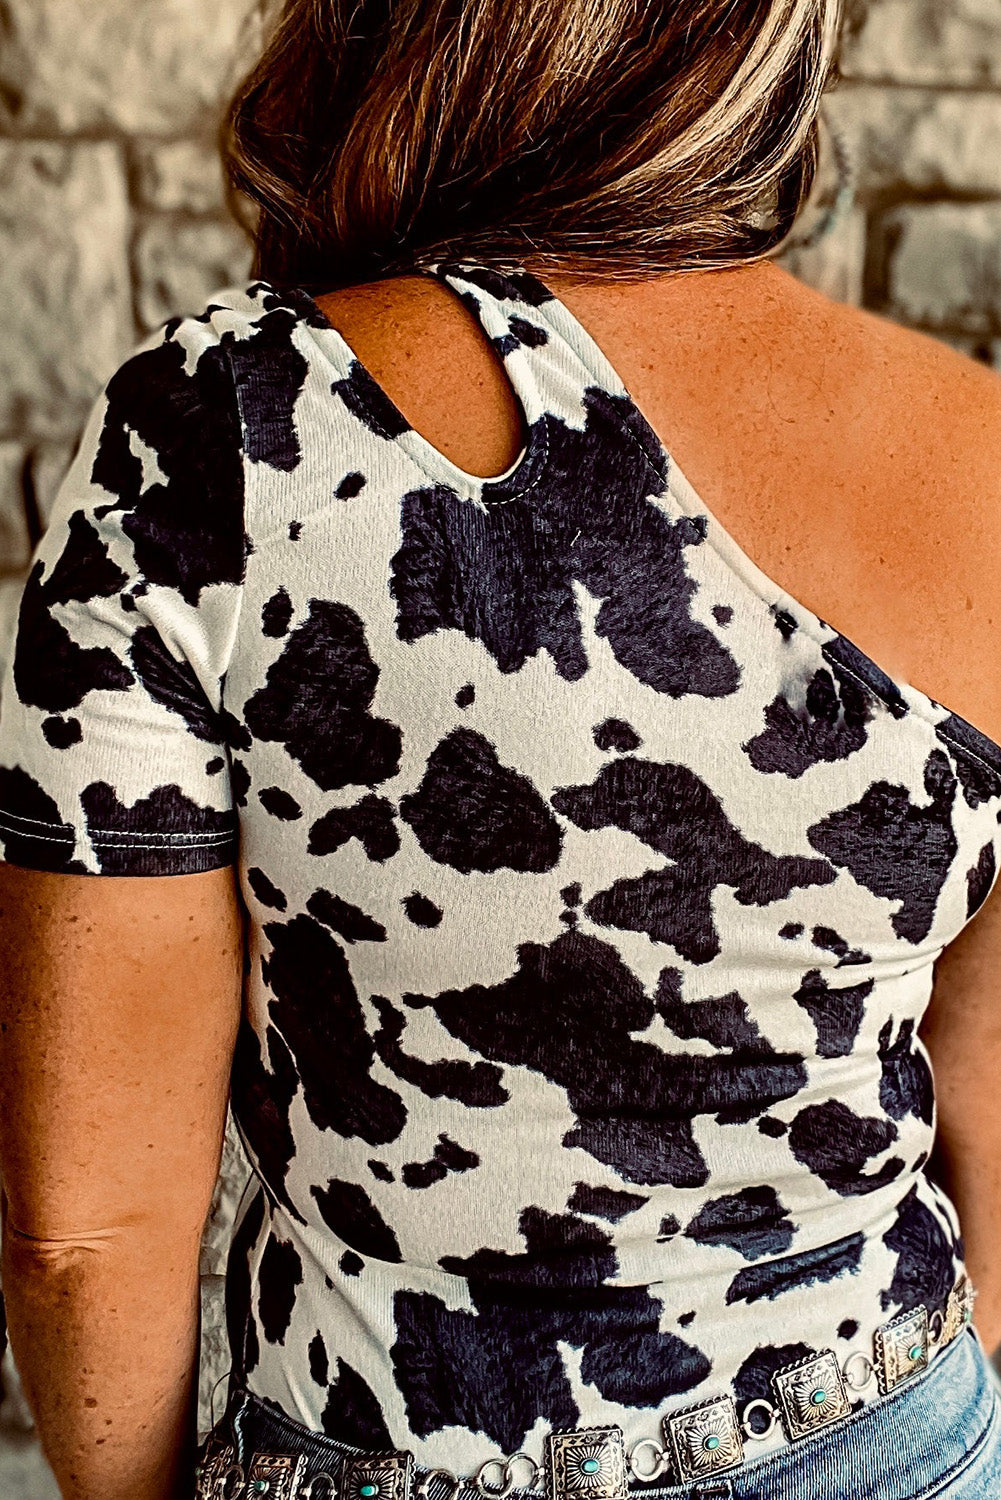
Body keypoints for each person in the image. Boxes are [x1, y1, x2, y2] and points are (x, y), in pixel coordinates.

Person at [1, 1, 1001, 1497]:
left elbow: (84, 1232)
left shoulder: (222, 430)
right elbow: (990, 1108)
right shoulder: (977, 450)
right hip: (900, 1434)